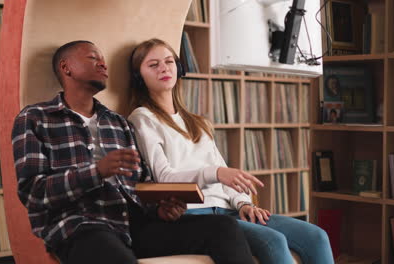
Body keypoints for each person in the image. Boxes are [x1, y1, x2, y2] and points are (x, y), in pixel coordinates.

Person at [11, 40, 256, 264]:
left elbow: (142, 183)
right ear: (67, 67)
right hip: (80, 225)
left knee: (222, 227)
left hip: (133, 226)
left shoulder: (118, 123)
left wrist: (159, 208)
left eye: (103, 58)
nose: (103, 63)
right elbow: (33, 192)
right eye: (93, 58)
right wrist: (96, 171)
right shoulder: (35, 118)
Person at [127, 38, 334, 264]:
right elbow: (164, 178)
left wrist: (243, 203)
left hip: (229, 210)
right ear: (139, 77)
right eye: (153, 64)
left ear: (180, 68)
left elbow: (225, 175)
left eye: (169, 61)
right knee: (273, 241)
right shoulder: (142, 118)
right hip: (196, 215)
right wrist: (214, 173)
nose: (164, 68)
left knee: (317, 236)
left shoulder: (198, 123)